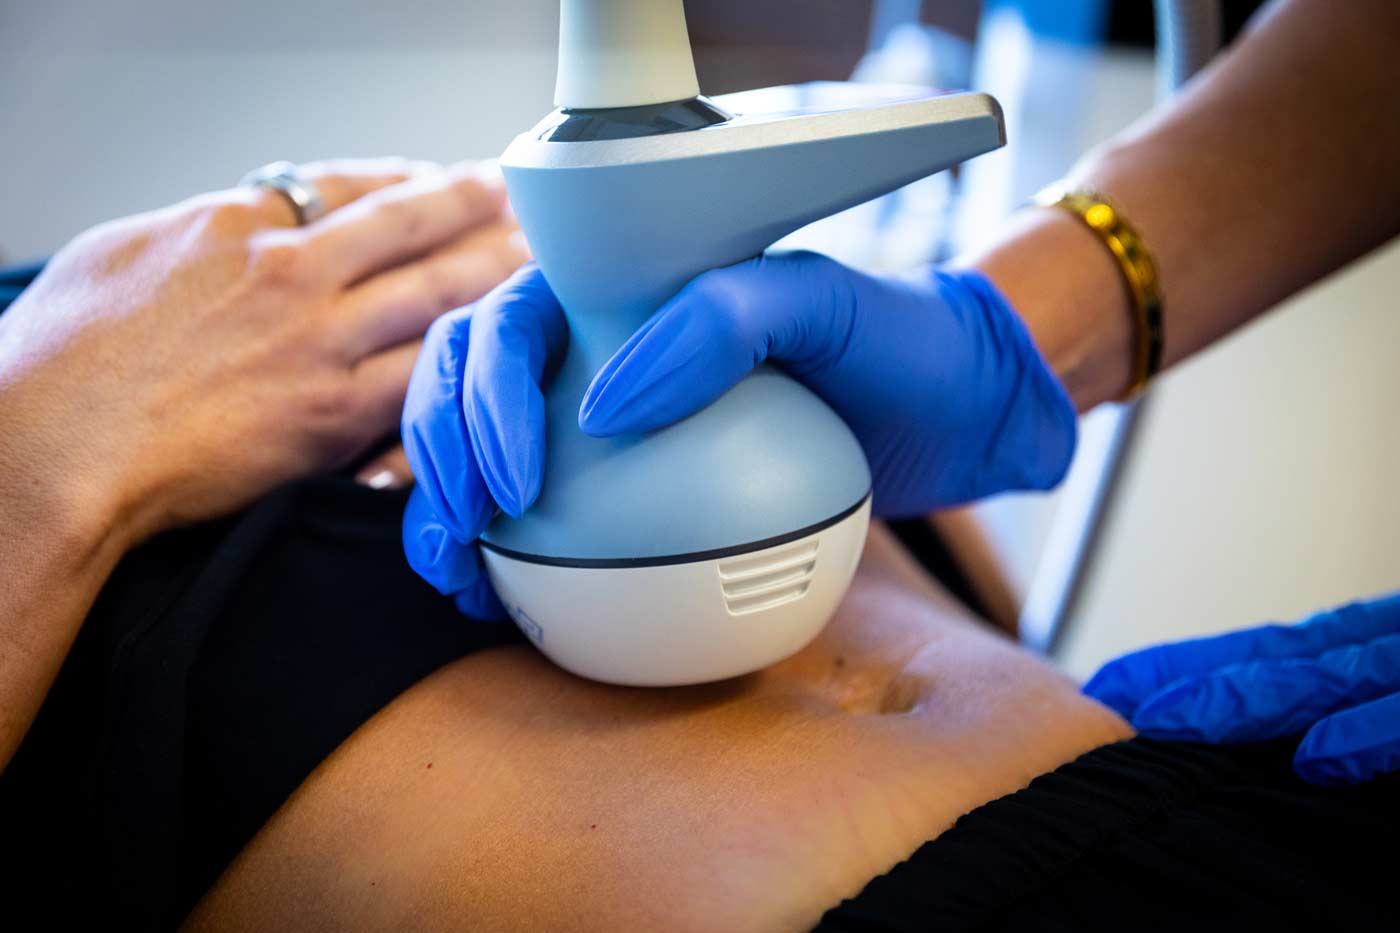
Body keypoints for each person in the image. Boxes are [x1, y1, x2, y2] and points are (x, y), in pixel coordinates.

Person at [0, 3, 1396, 933]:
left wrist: (1021, 324)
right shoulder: (57, 399)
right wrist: (44, 449)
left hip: (1262, 810)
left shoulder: (284, 290)